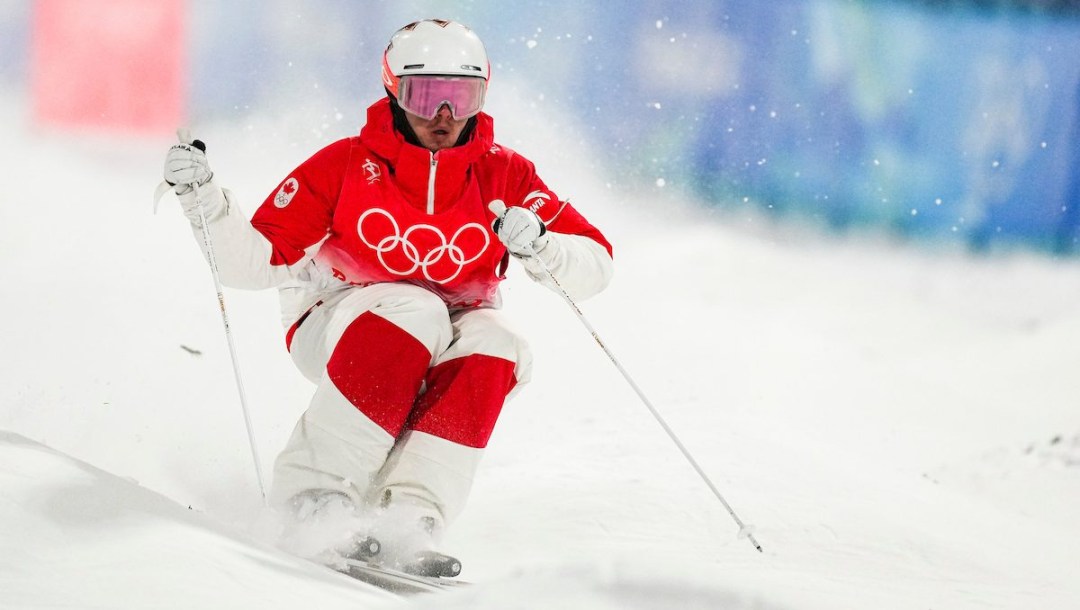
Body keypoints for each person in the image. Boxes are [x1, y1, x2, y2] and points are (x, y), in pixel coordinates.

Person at [162, 19, 613, 572]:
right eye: (426, 96)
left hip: (450, 328)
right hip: (337, 320)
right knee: (415, 307)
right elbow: (253, 262)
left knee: (500, 342)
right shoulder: (347, 164)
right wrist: (203, 200)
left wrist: (545, 247)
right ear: (394, 92)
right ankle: (315, 495)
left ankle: (410, 516)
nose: (444, 117)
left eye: (461, 97)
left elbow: (597, 263)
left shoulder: (504, 173)